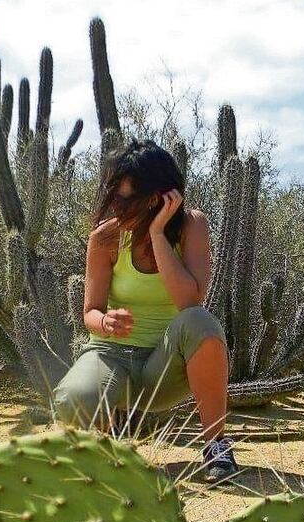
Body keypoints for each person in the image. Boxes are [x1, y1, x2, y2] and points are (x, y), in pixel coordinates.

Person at [52, 138, 238, 483]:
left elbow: (189, 302)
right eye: (114, 197)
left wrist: (156, 235)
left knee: (200, 322)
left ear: (157, 198)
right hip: (112, 356)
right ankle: (100, 453)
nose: (116, 208)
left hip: (163, 369)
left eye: (125, 199)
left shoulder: (191, 226)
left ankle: (217, 446)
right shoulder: (105, 238)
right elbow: (89, 312)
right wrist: (105, 321)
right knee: (72, 399)